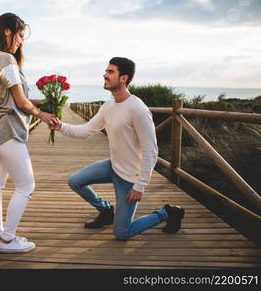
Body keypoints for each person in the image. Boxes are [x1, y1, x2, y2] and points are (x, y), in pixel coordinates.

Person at [51, 57, 185, 240]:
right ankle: (106, 210)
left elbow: (151, 151)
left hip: (130, 177)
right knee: (75, 181)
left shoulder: (137, 109)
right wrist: (60, 127)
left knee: (122, 233)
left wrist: (140, 186)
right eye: (106, 71)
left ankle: (167, 213)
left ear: (124, 78)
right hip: (112, 165)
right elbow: (86, 130)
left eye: (110, 72)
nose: (105, 75)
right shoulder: (108, 106)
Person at [0, 13, 56, 253]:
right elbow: (21, 101)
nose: (21, 41)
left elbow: (9, 98)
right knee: (26, 185)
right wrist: (43, 114)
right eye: (20, 35)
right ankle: (8, 239)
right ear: (7, 30)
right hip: (8, 128)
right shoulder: (5, 59)